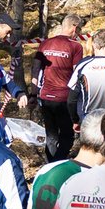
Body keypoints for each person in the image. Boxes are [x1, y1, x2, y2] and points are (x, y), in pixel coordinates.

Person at [36, 15, 86, 152]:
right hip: (64, 98)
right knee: (67, 135)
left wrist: (34, 93)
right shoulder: (75, 46)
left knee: (51, 136)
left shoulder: (45, 43)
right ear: (74, 28)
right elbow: (77, 73)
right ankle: (59, 164)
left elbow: (35, 69)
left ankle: (50, 165)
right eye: (80, 29)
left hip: (45, 96)